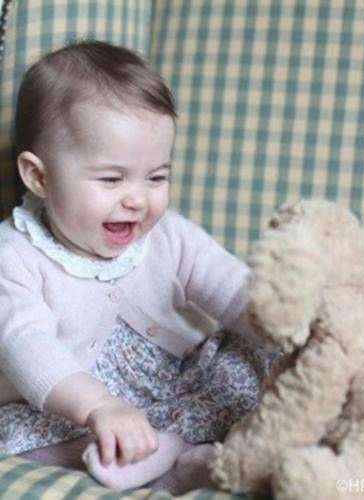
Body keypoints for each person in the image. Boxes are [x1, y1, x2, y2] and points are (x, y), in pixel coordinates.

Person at [0, 40, 269, 493]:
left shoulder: (168, 237)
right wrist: (99, 407)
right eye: (111, 178)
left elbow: (231, 287)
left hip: (181, 378)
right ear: (40, 177)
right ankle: (164, 461)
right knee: (25, 441)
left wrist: (287, 326)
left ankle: (188, 448)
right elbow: (25, 343)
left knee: (251, 362)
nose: (137, 198)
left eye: (157, 176)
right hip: (75, 406)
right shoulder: (14, 257)